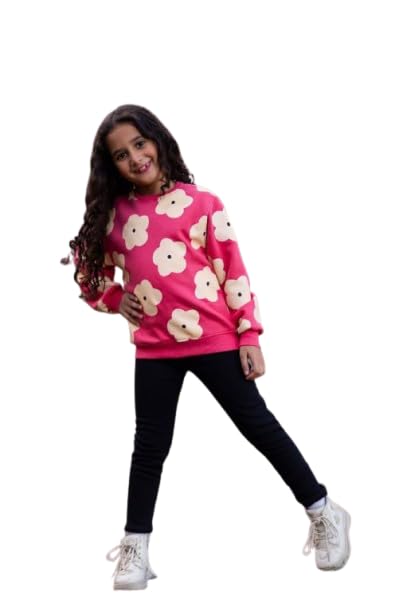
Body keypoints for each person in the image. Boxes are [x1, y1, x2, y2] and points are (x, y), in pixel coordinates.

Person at [61, 104, 351, 590]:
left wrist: (248, 334)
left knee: (258, 427)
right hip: (154, 349)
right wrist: (113, 298)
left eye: (139, 144)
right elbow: (89, 273)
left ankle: (324, 510)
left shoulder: (203, 205)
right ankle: (135, 546)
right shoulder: (114, 218)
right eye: (120, 155)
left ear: (158, 141)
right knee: (149, 447)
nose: (134, 158)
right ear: (111, 166)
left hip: (214, 339)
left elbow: (233, 273)